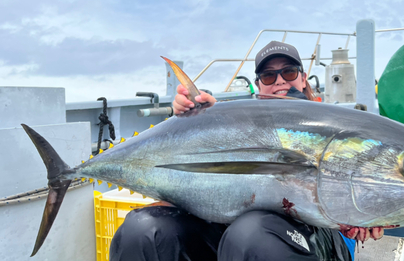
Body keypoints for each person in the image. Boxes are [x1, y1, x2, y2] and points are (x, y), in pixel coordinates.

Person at [110, 41, 382, 261]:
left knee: (251, 234)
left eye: (288, 71)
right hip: (236, 238)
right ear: (260, 85)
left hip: (311, 239)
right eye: (268, 75)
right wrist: (199, 119)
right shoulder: (246, 120)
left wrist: (366, 215)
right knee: (144, 230)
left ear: (302, 78)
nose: (279, 81)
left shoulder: (328, 121)